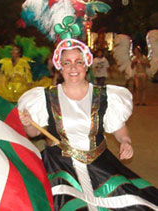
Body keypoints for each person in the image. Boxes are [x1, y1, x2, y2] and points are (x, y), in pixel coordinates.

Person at [18, 38, 158, 210]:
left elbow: (118, 128)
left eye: (78, 62)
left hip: (98, 164)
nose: (73, 68)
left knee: (130, 202)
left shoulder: (104, 95)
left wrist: (125, 141)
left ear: (86, 64)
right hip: (58, 166)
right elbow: (32, 132)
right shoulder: (45, 97)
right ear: (59, 66)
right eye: (67, 63)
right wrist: (27, 123)